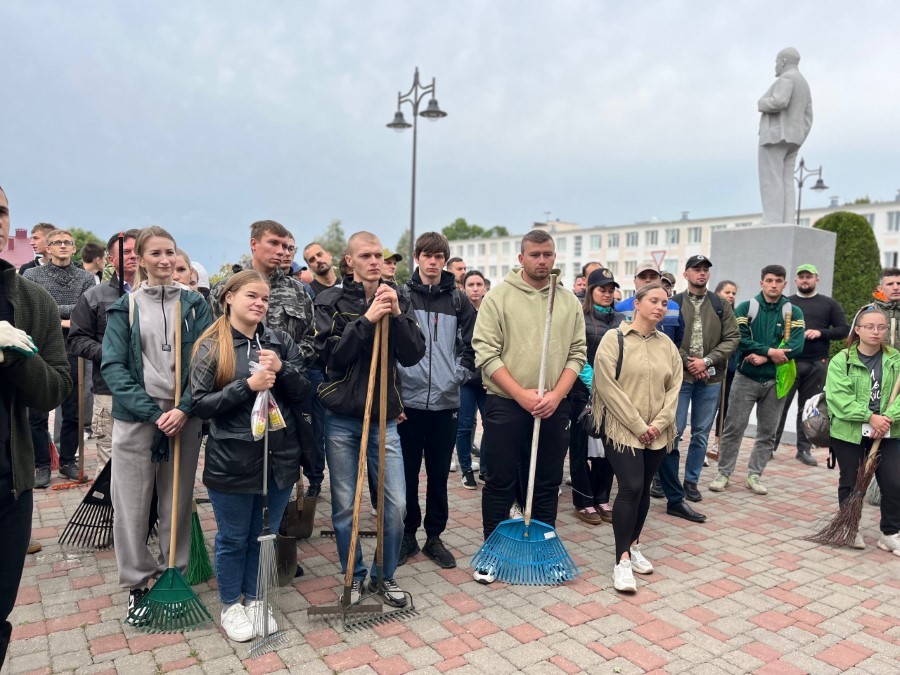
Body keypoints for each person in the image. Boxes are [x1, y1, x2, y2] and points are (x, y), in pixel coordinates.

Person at [191, 270, 310, 641]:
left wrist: (282, 369)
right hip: (233, 459)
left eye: (265, 298)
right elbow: (200, 404)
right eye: (252, 296)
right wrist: (247, 386)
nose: (260, 304)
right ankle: (231, 604)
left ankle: (256, 598)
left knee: (265, 534)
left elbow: (304, 392)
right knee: (233, 537)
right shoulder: (212, 345)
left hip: (279, 457)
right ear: (229, 297)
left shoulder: (279, 340)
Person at [101, 226, 212, 619]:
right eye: (156, 253)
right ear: (141, 260)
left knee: (176, 501)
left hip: (184, 416)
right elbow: (113, 367)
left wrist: (184, 408)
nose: (165, 260)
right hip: (137, 417)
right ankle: (136, 583)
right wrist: (153, 412)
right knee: (131, 505)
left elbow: (207, 360)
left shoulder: (195, 305)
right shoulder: (125, 308)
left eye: (170, 252)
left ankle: (173, 574)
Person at [314, 232, 425, 605]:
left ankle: (384, 575)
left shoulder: (399, 298)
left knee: (395, 507)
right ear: (350, 261)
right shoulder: (329, 301)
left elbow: (413, 355)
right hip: (342, 419)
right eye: (366, 255)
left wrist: (396, 316)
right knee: (346, 507)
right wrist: (366, 320)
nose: (375, 261)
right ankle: (353, 576)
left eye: (379, 255)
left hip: (384, 419)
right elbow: (330, 358)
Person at [472, 230, 586, 584]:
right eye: (535, 254)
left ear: (555, 257)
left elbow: (577, 353)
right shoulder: (498, 297)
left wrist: (557, 395)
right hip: (507, 403)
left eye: (547, 254)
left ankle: (544, 552)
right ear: (521, 258)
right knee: (500, 480)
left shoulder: (567, 301)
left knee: (547, 482)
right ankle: (492, 553)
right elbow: (485, 352)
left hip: (553, 406)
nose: (542, 260)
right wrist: (520, 393)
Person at [0, 185, 72, 667]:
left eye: (1, 211)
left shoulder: (30, 300)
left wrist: (15, 353)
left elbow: (53, 390)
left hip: (9, 484)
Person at [592, 282, 682, 592]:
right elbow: (606, 386)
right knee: (630, 487)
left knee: (643, 488)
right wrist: (638, 425)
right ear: (637, 304)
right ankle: (622, 561)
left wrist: (659, 423)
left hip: (658, 431)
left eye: (664, 302)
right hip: (623, 429)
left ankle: (634, 544)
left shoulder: (667, 345)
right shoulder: (613, 338)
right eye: (653, 300)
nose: (660, 307)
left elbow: (674, 387)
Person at [396, 233, 475, 568]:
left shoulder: (459, 300)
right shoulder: (401, 295)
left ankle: (434, 537)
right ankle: (407, 535)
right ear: (417, 257)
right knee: (407, 474)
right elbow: (389, 344)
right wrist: (396, 391)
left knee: (439, 475)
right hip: (408, 405)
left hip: (446, 403)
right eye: (427, 255)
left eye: (439, 256)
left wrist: (455, 376)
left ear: (445, 260)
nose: (433, 262)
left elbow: (472, 346)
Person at [709, 265, 805, 496]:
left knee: (767, 432)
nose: (774, 285)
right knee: (734, 428)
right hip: (746, 377)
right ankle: (724, 473)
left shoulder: (793, 312)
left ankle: (754, 475)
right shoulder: (746, 307)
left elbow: (797, 345)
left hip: (776, 380)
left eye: (778, 281)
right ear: (761, 282)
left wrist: (766, 356)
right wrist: (770, 351)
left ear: (785, 284)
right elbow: (739, 339)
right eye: (769, 280)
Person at [661, 256, 740, 515]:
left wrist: (707, 361)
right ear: (686, 274)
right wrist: (688, 361)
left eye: (705, 270)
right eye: (696, 269)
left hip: (710, 378)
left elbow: (733, 337)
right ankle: (664, 480)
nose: (702, 273)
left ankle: (691, 481)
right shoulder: (673, 303)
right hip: (680, 377)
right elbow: (665, 338)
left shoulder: (720, 304)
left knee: (701, 433)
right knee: (673, 430)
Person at [23, 229, 97, 485]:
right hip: (39, 350)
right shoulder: (32, 276)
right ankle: (41, 465)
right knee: (37, 413)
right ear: (48, 248)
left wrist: (52, 312)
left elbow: (86, 309)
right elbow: (31, 307)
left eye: (67, 242)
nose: (63, 246)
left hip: (74, 350)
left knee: (73, 411)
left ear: (74, 248)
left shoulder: (86, 278)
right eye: (57, 242)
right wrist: (65, 318)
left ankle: (67, 461)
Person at [825, 306, 900, 555]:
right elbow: (839, 399)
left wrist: (887, 418)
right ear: (857, 330)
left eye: (881, 327)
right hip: (850, 431)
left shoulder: (895, 360)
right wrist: (870, 417)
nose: (875, 331)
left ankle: (890, 533)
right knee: (851, 480)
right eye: (869, 326)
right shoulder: (842, 360)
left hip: (888, 430)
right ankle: (850, 527)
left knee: (894, 482)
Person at [68, 229, 140, 478]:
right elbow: (77, 339)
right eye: (126, 252)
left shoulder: (162, 293)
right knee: (110, 464)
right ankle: (111, 505)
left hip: (153, 390)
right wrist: (111, 353)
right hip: (110, 391)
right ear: (110, 259)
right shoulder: (94, 296)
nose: (133, 256)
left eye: (137, 251)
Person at [775, 264, 849, 465]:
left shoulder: (829, 304)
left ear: (816, 279)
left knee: (808, 409)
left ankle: (804, 449)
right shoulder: (786, 303)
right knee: (779, 406)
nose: (805, 280)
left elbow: (844, 329)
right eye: (801, 277)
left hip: (817, 363)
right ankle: (770, 446)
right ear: (796, 280)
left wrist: (821, 333)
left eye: (809, 276)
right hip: (788, 363)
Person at [569, 268, 624, 525]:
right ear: (590, 291)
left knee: (608, 449)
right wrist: (595, 384)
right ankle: (583, 500)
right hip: (582, 393)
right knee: (580, 449)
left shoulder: (621, 319)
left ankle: (602, 498)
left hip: (613, 394)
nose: (607, 294)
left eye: (611, 290)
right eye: (602, 289)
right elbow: (576, 354)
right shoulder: (580, 317)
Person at [758, 47, 813, 225]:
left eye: (776, 62)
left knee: (771, 177)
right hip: (793, 138)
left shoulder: (787, 78)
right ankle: (787, 220)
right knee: (786, 179)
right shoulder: (804, 84)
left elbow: (780, 101)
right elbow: (808, 115)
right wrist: (800, 135)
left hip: (775, 137)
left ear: (783, 61)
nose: (775, 66)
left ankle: (772, 219)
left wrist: (761, 103)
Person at [456, 270, 488, 483]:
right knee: (465, 426)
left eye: (479, 284)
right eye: (470, 285)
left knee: (491, 425)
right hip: (465, 378)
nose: (475, 289)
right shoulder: (459, 311)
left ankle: (485, 468)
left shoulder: (491, 310)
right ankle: (466, 470)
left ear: (485, 287)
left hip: (488, 378)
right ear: (463, 288)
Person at [616, 263, 684, 345]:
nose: (648, 280)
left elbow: (678, 340)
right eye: (643, 277)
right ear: (635, 281)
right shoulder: (620, 308)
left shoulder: (674, 308)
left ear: (660, 280)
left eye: (653, 277)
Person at [710, 280, 739, 457]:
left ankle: (718, 442)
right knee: (710, 407)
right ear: (718, 293)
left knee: (725, 405)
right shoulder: (711, 312)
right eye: (727, 292)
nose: (731, 296)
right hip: (712, 366)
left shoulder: (735, 315)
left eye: (733, 293)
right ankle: (702, 444)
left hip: (731, 367)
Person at [871, 267, 900, 349]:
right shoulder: (868, 311)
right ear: (880, 289)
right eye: (890, 284)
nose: (896, 287)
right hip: (877, 357)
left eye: (899, 283)